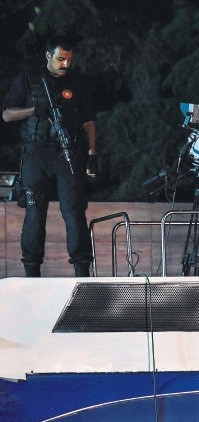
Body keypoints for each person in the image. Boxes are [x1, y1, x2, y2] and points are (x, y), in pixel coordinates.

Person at [2, 35, 97, 278]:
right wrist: (35, 110)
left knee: (74, 211)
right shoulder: (28, 78)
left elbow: (88, 122)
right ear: (48, 56)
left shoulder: (76, 83)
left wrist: (92, 154)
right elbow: (7, 114)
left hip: (67, 153)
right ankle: (31, 271)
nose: (65, 64)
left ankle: (82, 270)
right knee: (35, 211)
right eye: (60, 59)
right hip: (35, 153)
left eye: (69, 60)